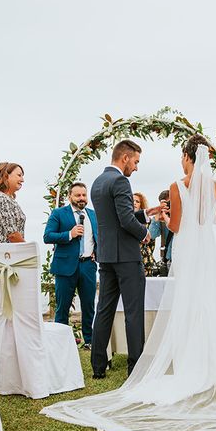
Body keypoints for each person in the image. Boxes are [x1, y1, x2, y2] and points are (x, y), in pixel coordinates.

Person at [42, 134, 216, 431]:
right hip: (205, 258)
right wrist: (169, 226)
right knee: (204, 305)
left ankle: (121, 364)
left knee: (158, 307)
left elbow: (176, 226)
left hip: (162, 256)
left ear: (188, 156)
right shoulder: (215, 187)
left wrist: (166, 217)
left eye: (182, 156)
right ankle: (208, 366)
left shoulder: (170, 185)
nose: (180, 162)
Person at [88, 140, 160, 378]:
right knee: (133, 312)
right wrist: (145, 232)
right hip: (127, 258)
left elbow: (114, 216)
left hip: (107, 256)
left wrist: (145, 213)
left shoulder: (98, 182)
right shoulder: (121, 181)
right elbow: (126, 221)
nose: (136, 167)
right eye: (136, 161)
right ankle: (135, 367)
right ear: (125, 157)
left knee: (104, 310)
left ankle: (98, 366)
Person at [44, 182, 98, 349]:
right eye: (78, 195)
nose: (82, 198)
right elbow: (48, 236)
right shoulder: (59, 213)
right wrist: (70, 234)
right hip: (65, 267)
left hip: (88, 265)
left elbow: (99, 235)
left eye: (84, 195)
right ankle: (61, 343)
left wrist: (97, 251)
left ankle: (89, 341)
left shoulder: (93, 214)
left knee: (89, 305)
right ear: (69, 197)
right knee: (62, 306)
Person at [0, 162, 26, 243]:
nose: (22, 180)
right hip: (8, 252)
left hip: (13, 251)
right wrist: (28, 250)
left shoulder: (9, 199)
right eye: (19, 175)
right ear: (6, 176)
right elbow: (12, 234)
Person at [148, 190, 174, 271]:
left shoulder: (183, 215)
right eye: (165, 204)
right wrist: (158, 214)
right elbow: (152, 235)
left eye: (169, 202)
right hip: (168, 258)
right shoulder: (160, 218)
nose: (168, 205)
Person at [133, 192, 156, 275]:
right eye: (132, 201)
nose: (134, 203)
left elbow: (152, 243)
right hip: (130, 261)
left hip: (146, 261)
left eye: (137, 201)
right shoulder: (124, 222)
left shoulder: (148, 222)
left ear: (141, 205)